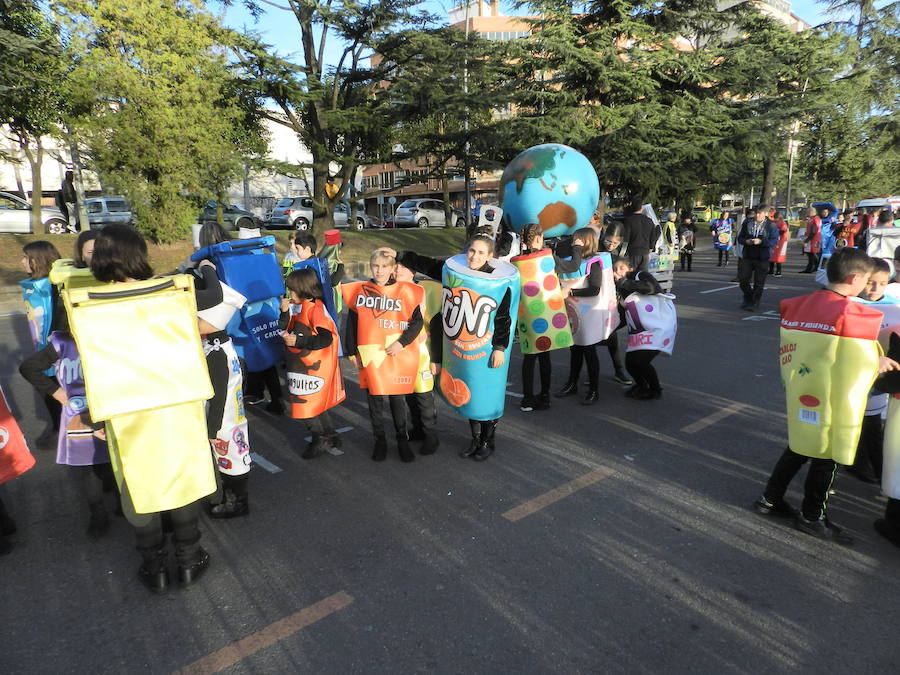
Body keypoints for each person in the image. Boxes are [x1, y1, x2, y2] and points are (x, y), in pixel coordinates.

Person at [86, 224, 216, 590]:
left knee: (138, 482)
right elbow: (207, 308)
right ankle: (189, 558)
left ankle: (154, 566)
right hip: (175, 399)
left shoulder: (88, 305)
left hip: (125, 406)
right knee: (181, 475)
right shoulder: (170, 295)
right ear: (137, 255)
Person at [755, 248, 900, 544]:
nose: (868, 287)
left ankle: (770, 499)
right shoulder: (857, 315)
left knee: (799, 445)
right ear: (854, 278)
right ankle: (811, 517)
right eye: (866, 281)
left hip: (803, 391)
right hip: (834, 399)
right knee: (829, 456)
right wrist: (878, 362)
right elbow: (855, 361)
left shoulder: (797, 305)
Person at [19, 327, 115, 537]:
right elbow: (29, 367)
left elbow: (29, 367)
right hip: (93, 412)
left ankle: (103, 513)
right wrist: (55, 391)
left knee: (94, 465)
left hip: (84, 412)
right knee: (100, 464)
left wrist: (56, 391)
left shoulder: (64, 342)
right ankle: (108, 510)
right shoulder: (68, 341)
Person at [193, 223, 253, 519]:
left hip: (224, 417)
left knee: (229, 452)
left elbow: (216, 396)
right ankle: (231, 497)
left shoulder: (213, 350)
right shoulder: (221, 344)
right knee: (234, 449)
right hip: (231, 411)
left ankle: (237, 502)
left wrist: (210, 430)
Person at [342, 249, 424, 462]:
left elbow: (417, 323)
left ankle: (402, 440)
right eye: (376, 266)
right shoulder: (360, 291)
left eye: (384, 266)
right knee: (375, 400)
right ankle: (380, 440)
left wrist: (401, 343)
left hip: (395, 354)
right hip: (371, 354)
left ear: (392, 269)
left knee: (397, 400)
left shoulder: (404, 291)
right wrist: (351, 349)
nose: (379, 270)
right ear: (371, 266)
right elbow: (352, 322)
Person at [514, 223, 585, 411]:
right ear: (539, 238)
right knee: (544, 356)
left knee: (529, 358)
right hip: (546, 314)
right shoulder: (547, 258)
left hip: (527, 314)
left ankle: (527, 399)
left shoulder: (517, 262)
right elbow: (573, 265)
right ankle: (544, 396)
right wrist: (576, 247)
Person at [281, 268, 346, 459]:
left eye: (292, 290)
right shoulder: (300, 306)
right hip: (301, 368)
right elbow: (284, 327)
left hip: (311, 370)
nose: (290, 294)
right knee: (315, 405)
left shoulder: (316, 309)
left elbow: (326, 339)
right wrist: (284, 313)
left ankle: (319, 438)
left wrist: (299, 341)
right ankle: (330, 433)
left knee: (305, 407)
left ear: (304, 289)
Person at [848, 258, 893, 484]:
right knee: (857, 424)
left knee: (874, 424)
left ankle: (877, 469)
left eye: (883, 283)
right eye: (871, 283)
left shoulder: (894, 305)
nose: (876, 289)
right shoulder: (849, 303)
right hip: (852, 375)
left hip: (880, 377)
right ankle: (868, 467)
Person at [556, 228, 610, 405]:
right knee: (575, 349)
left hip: (589, 314)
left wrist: (570, 290)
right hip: (574, 313)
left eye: (578, 239)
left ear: (587, 241)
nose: (575, 242)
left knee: (589, 351)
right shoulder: (574, 260)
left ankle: (594, 389)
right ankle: (572, 383)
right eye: (574, 238)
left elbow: (594, 289)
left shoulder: (594, 262)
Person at [392, 257, 440, 453]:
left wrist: (437, 359)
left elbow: (437, 327)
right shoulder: (389, 291)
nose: (397, 270)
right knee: (409, 394)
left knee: (423, 395)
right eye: (395, 267)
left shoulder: (427, 291)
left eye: (402, 266)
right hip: (400, 352)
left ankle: (431, 436)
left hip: (423, 353)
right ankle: (418, 429)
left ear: (413, 271)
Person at [20, 241, 63, 444]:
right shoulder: (32, 286)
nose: (22, 262)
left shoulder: (54, 285)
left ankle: (63, 430)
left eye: (26, 258)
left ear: (38, 261)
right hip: (42, 345)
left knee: (54, 386)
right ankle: (58, 426)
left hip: (56, 346)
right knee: (47, 387)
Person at [613, 257, 674, 400]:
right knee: (630, 362)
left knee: (641, 362)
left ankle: (655, 389)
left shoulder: (641, 276)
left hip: (658, 327)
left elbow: (651, 288)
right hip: (641, 331)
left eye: (621, 268)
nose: (618, 272)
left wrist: (624, 282)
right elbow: (623, 316)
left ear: (630, 269)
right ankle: (641, 385)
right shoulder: (622, 290)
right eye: (615, 269)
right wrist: (608, 330)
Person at [736, 207, 779, 312]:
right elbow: (740, 238)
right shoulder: (747, 222)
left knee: (759, 282)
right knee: (743, 280)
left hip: (762, 256)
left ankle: (754, 302)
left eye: (759, 213)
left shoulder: (771, 225)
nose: (757, 215)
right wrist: (747, 241)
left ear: (765, 213)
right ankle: (748, 297)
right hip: (748, 255)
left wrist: (761, 242)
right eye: (756, 213)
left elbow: (774, 241)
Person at [623, 197, 658, 272]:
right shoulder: (649, 221)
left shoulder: (629, 221)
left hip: (633, 252)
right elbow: (653, 237)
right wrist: (650, 249)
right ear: (642, 208)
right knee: (643, 276)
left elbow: (626, 238)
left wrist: (623, 253)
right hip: (645, 252)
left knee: (632, 275)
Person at [768, 210, 789, 277]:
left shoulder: (782, 223)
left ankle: (778, 271)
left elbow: (783, 231)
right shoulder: (773, 222)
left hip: (781, 242)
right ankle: (771, 270)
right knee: (772, 255)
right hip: (775, 241)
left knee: (779, 256)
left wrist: (775, 233)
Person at [801, 207, 822, 273]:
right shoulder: (813, 219)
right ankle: (814, 267)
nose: (807, 213)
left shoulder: (815, 219)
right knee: (810, 253)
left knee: (812, 253)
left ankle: (813, 267)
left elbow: (813, 231)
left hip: (813, 239)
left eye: (808, 212)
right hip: (812, 238)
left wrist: (807, 240)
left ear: (811, 212)